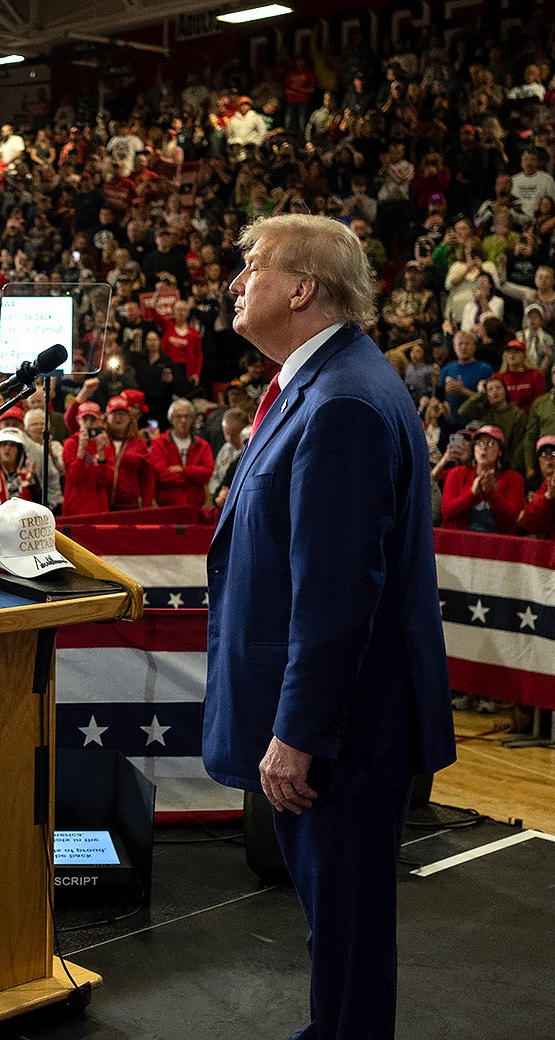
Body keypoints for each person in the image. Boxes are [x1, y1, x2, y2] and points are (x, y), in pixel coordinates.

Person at [203, 215, 455, 1040]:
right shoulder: (326, 382)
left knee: (347, 939)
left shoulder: (342, 401)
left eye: (251, 265)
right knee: (337, 935)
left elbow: (338, 595)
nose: (237, 281)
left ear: (301, 288)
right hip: (340, 726)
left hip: (340, 736)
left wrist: (297, 733)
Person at [439, 425, 525, 534]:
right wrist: (472, 494)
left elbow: (514, 518)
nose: (484, 448)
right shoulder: (457, 473)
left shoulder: (514, 478)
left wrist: (491, 494)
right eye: (479, 443)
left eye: (490, 443)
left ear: (500, 451)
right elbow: (446, 512)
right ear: (473, 449)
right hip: (460, 541)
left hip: (500, 543)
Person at [148, 398, 215, 508]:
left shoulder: (202, 445)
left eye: (187, 416)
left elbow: (207, 474)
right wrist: (193, 478)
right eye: (178, 416)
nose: (183, 421)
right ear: (171, 419)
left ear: (193, 419)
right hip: (167, 507)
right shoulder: (159, 444)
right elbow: (162, 476)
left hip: (195, 507)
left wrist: (183, 470)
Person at [517, 434, 555, 537]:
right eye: (543, 454)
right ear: (538, 460)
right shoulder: (532, 484)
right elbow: (527, 522)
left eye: (553, 453)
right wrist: (548, 497)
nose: (549, 458)